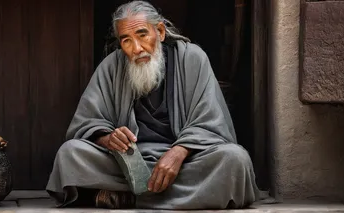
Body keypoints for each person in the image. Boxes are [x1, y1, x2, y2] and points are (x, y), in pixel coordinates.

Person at [46, 0, 259, 210]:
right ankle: (177, 198)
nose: (136, 48)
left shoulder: (193, 59)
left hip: (187, 163)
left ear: (160, 32)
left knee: (235, 160)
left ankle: (127, 198)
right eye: (126, 40)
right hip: (128, 164)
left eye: (142, 35)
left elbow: (210, 122)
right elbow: (87, 123)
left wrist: (179, 151)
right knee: (70, 153)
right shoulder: (112, 66)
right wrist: (108, 138)